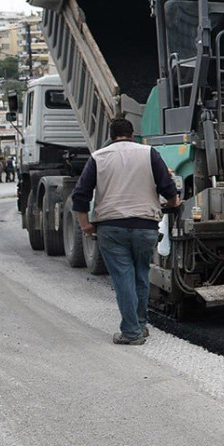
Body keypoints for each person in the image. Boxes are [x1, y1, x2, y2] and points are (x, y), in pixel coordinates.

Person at [71, 118, 182, 346]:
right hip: (145, 227)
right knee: (141, 274)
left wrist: (85, 225)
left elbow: (80, 195)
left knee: (123, 277)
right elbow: (167, 187)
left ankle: (131, 332)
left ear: (111, 136)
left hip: (111, 228)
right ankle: (140, 324)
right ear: (133, 135)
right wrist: (174, 203)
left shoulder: (98, 157)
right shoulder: (149, 154)